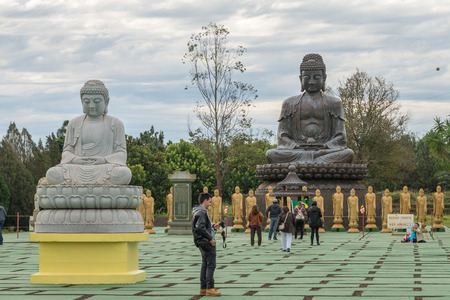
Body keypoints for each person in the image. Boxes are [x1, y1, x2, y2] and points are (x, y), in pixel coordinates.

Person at [266, 53, 354, 164]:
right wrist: (295, 146)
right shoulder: (289, 103)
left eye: (316, 78)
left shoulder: (334, 103)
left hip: (324, 151)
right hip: (297, 151)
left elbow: (340, 136)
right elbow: (282, 136)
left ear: (324, 78)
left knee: (347, 154)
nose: (311, 82)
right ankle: (315, 162)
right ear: (300, 79)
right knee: (272, 154)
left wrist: (325, 146)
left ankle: (308, 162)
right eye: (307, 78)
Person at [45, 80, 132, 185]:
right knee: (52, 174)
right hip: (77, 168)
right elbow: (66, 152)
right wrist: (75, 159)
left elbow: (121, 154)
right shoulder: (74, 123)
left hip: (104, 167)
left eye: (96, 101)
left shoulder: (115, 124)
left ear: (106, 102)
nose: (91, 106)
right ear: (81, 102)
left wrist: (104, 160)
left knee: (124, 173)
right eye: (86, 101)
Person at [192, 193, 221, 296]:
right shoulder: (202, 212)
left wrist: (212, 226)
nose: (210, 203)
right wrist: (210, 238)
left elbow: (202, 226)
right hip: (206, 242)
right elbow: (200, 227)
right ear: (205, 201)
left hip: (201, 241)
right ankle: (210, 288)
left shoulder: (197, 211)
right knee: (211, 265)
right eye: (209, 201)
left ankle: (203, 288)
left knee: (205, 264)